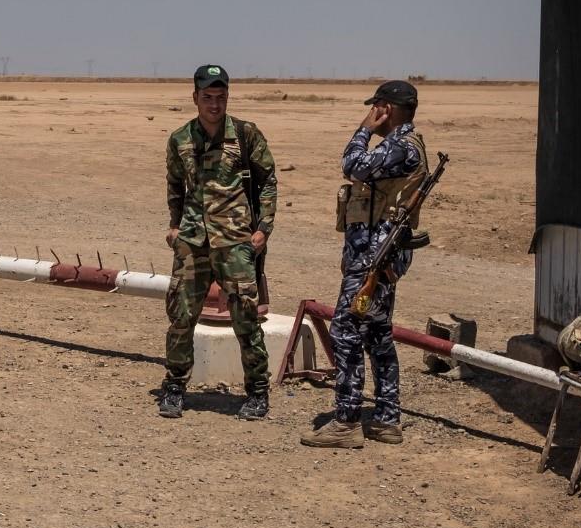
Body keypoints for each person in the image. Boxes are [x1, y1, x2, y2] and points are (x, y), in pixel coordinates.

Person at [302, 79, 429, 448]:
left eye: (376, 108)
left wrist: (363, 130)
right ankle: (387, 419)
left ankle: (347, 421)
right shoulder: (403, 145)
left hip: (375, 256)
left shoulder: (402, 148)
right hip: (377, 252)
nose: (372, 113)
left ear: (386, 109)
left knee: (344, 331)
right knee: (376, 333)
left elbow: (352, 165)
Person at [159, 64, 278, 420]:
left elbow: (268, 180)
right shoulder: (180, 139)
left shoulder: (245, 134)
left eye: (221, 97)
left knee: (245, 319)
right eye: (208, 97)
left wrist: (264, 228)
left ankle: (258, 392)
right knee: (181, 316)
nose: (214, 104)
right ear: (195, 98)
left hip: (236, 242)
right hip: (193, 241)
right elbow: (174, 186)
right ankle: (175, 387)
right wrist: (175, 225)